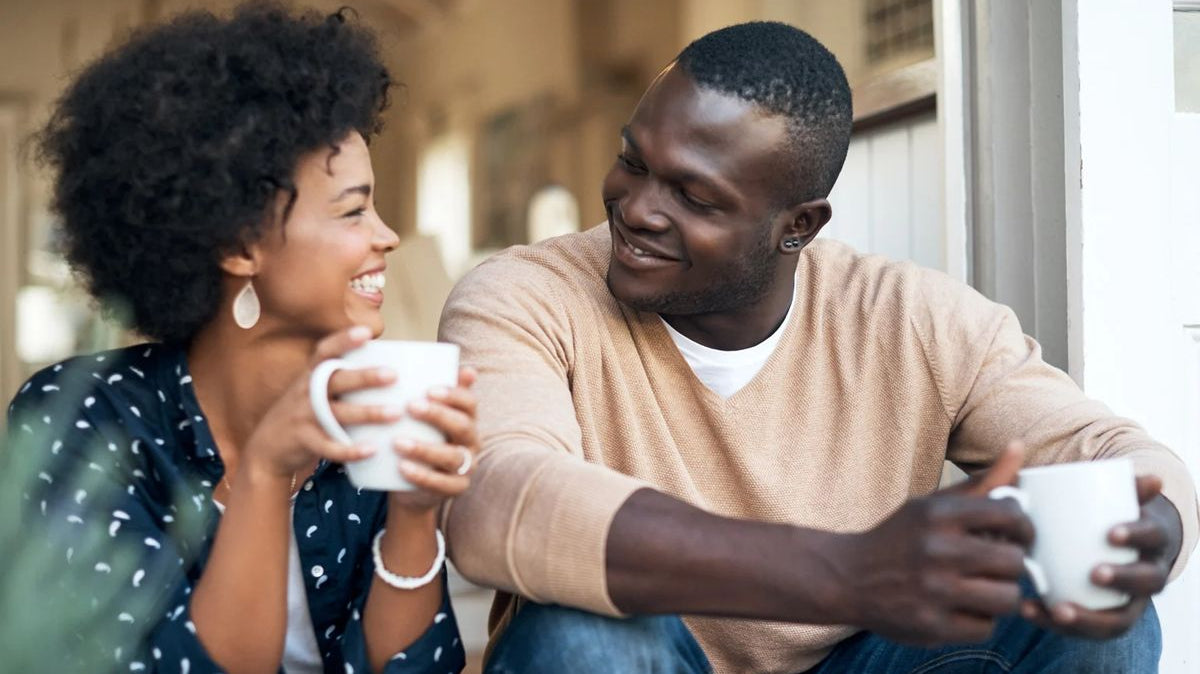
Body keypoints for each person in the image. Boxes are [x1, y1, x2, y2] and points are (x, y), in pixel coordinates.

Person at [437, 21, 1199, 673]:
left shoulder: (914, 320)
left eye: (694, 197)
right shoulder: (523, 295)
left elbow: (1113, 451)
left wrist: (1150, 531)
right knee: (581, 632)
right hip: (645, 655)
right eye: (634, 162)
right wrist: (849, 572)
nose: (636, 210)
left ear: (798, 226)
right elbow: (497, 501)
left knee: (1102, 612)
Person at [5, 5, 474, 673]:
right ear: (238, 244)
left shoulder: (366, 414)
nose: (385, 236)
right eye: (353, 209)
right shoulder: (85, 421)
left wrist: (413, 511)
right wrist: (262, 469)